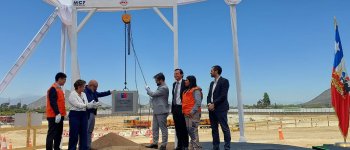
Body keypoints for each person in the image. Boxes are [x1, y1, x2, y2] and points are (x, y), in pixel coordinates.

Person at [68, 79, 98, 150]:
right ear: (79, 87)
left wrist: (93, 105)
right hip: (75, 115)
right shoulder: (72, 95)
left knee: (84, 134)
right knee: (74, 134)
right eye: (83, 87)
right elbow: (78, 105)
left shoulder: (83, 94)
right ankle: (72, 148)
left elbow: (86, 103)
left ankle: (83, 148)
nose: (84, 88)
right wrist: (87, 105)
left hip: (84, 114)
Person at [207, 65, 231, 150]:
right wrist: (209, 104)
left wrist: (214, 104)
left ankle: (227, 147)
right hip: (211, 109)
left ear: (216, 71)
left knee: (225, 128)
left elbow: (223, 96)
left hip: (221, 109)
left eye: (211, 71)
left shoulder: (224, 81)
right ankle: (215, 147)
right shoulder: (211, 83)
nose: (210, 72)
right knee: (214, 129)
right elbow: (209, 95)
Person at [145, 73, 169, 150]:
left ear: (161, 80)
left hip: (161, 112)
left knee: (163, 129)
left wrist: (147, 89)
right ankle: (155, 143)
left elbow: (152, 94)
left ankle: (164, 145)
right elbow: (155, 97)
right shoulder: (160, 88)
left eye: (156, 80)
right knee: (155, 128)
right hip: (156, 111)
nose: (155, 82)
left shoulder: (164, 88)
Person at [84, 80, 111, 149]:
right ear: (91, 85)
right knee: (86, 131)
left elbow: (100, 94)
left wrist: (109, 92)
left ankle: (88, 146)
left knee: (89, 131)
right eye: (96, 87)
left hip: (92, 113)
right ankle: (85, 146)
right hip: (87, 114)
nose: (96, 89)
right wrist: (94, 104)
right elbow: (88, 102)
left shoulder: (93, 91)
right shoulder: (85, 92)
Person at [46, 72, 67, 150]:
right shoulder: (53, 88)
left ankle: (57, 148)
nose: (65, 81)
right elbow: (52, 101)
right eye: (64, 79)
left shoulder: (59, 89)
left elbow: (60, 102)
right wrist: (57, 113)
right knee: (51, 134)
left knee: (58, 134)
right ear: (59, 79)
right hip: (53, 116)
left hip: (60, 115)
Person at [182, 75, 202, 150]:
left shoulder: (196, 90)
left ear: (191, 81)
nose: (185, 81)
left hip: (193, 114)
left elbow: (198, 102)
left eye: (186, 80)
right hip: (187, 114)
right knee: (190, 133)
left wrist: (192, 111)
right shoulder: (186, 91)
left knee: (194, 132)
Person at [171, 69, 189, 150]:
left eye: (177, 74)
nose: (175, 75)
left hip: (182, 108)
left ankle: (185, 146)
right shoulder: (174, 84)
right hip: (175, 108)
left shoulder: (185, 83)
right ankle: (179, 145)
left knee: (183, 128)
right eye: (175, 74)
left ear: (182, 74)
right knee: (177, 128)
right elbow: (173, 97)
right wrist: (172, 109)